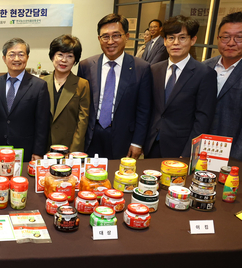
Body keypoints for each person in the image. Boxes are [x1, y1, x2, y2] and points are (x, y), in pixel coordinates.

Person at [77, 13, 152, 160]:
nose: (110, 41)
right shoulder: (86, 66)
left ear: (127, 36)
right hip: (90, 137)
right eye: (105, 37)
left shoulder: (141, 68)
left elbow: (144, 110)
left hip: (123, 139)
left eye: (116, 35)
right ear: (99, 39)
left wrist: (137, 142)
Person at [145, 15, 217, 158]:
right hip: (151, 144)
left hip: (180, 149)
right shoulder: (154, 70)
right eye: (171, 38)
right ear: (164, 41)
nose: (175, 43)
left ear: (193, 40)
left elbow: (203, 119)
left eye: (182, 38)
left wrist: (189, 152)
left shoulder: (204, 74)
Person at [0, 38, 50, 161]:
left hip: (26, 150)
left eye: (21, 55)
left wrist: (38, 152)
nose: (16, 59)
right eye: (11, 55)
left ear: (27, 57)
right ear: (4, 58)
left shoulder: (39, 86)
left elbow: (42, 123)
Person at [204, 11, 242, 161]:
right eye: (226, 37)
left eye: (239, 37)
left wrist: (235, 160)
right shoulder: (204, 67)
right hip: (200, 152)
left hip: (234, 156)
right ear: (218, 38)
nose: (231, 43)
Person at [44, 35, 90, 153]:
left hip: (68, 147)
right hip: (44, 146)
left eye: (69, 56)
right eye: (60, 55)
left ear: (75, 60)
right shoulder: (42, 82)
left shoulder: (82, 84)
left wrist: (74, 151)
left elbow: (82, 121)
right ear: (52, 56)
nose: (64, 60)